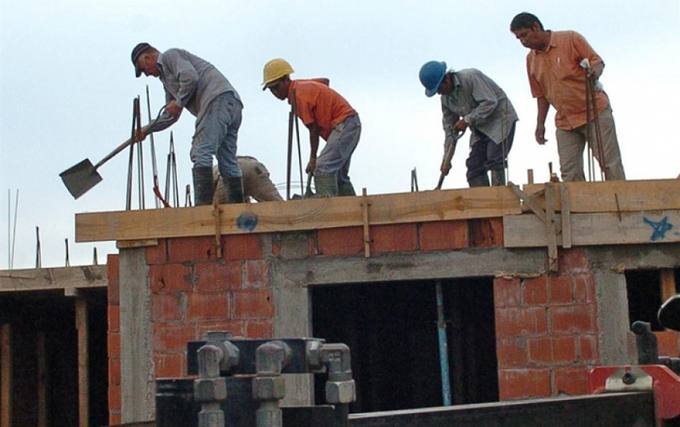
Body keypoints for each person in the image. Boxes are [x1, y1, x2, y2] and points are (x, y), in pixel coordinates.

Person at [510, 12, 626, 182]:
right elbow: (541, 95)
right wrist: (540, 124)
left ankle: (621, 204)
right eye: (518, 38)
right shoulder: (531, 60)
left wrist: (594, 72)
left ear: (536, 27)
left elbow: (597, 61)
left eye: (524, 35)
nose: (523, 41)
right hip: (565, 122)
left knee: (609, 164)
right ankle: (580, 208)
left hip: (594, 112)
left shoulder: (570, 39)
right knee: (570, 173)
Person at [130, 42, 245, 205]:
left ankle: (202, 209)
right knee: (226, 160)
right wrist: (147, 130)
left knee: (201, 151)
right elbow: (170, 115)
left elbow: (190, 77)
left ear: (148, 57)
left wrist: (178, 102)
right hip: (231, 103)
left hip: (217, 99)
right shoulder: (166, 81)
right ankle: (238, 209)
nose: (146, 74)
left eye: (143, 69)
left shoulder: (170, 56)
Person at [261, 58, 361, 197]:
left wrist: (313, 159)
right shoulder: (300, 88)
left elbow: (313, 130)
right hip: (349, 124)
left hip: (345, 124)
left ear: (286, 79)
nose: (275, 93)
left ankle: (327, 210)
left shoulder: (299, 95)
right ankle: (352, 210)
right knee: (338, 175)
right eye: (271, 89)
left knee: (322, 168)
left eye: (276, 87)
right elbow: (324, 82)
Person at [419, 61, 518, 187]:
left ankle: (500, 199)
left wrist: (466, 120)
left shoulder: (471, 77)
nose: (439, 93)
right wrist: (446, 159)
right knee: (474, 167)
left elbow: (490, 102)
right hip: (480, 129)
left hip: (500, 121)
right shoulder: (446, 100)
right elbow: (450, 131)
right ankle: (483, 203)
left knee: (494, 158)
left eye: (439, 89)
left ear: (447, 79)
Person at [213, 156, 283, 203]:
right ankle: (292, 211)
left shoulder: (210, 174)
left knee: (220, 212)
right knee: (278, 204)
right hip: (254, 167)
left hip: (230, 171)